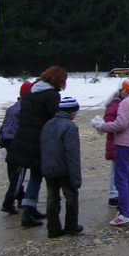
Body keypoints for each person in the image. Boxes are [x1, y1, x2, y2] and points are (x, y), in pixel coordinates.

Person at [8, 66, 66, 228]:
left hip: (22, 139)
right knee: (36, 175)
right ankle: (27, 211)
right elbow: (55, 118)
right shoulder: (51, 95)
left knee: (31, 175)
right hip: (38, 141)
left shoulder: (31, 91)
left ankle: (29, 207)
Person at [96, 76, 129, 226]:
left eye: (123, 89)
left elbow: (120, 124)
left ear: (127, 89)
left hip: (125, 145)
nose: (121, 91)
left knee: (121, 179)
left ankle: (125, 212)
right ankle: (128, 211)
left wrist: (102, 126)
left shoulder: (127, 102)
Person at [40, 97, 83, 238]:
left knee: (52, 197)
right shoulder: (70, 127)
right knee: (71, 196)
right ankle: (71, 226)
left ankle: (53, 228)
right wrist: (76, 178)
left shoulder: (48, 124)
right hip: (64, 169)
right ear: (71, 112)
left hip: (48, 167)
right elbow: (72, 154)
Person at [0, 81, 32, 214]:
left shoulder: (12, 108)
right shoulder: (27, 108)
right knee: (18, 175)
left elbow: (3, 127)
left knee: (13, 173)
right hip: (18, 144)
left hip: (7, 143)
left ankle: (20, 197)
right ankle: (8, 202)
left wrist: (1, 144)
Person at [103, 89, 122, 208]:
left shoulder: (122, 103)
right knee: (115, 170)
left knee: (119, 169)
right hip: (116, 141)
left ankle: (117, 194)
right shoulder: (115, 105)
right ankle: (113, 195)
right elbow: (108, 122)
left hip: (120, 141)